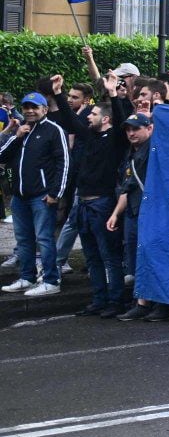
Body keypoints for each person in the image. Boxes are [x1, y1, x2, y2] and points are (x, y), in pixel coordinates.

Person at [46, 87, 129, 315]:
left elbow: (122, 121)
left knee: (108, 256)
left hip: (102, 204)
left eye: (92, 114)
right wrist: (59, 93)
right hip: (83, 204)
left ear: (105, 118)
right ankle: (99, 299)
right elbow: (71, 121)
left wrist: (113, 94)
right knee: (92, 256)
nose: (88, 117)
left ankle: (115, 301)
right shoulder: (90, 136)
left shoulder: (115, 139)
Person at [0, 91, 70, 296]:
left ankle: (51, 280)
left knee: (44, 238)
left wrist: (55, 193)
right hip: (20, 196)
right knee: (23, 239)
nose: (30, 111)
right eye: (26, 107)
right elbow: (2, 156)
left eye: (34, 107)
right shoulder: (22, 131)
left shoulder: (54, 130)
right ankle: (27, 277)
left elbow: (64, 162)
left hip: (42, 196)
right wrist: (16, 136)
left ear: (44, 109)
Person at [112, 113, 159, 320]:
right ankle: (142, 301)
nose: (131, 133)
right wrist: (115, 214)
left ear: (149, 129)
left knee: (153, 257)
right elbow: (127, 187)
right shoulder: (130, 154)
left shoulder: (156, 150)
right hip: (133, 212)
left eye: (136, 128)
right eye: (128, 129)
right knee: (136, 258)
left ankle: (159, 303)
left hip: (153, 213)